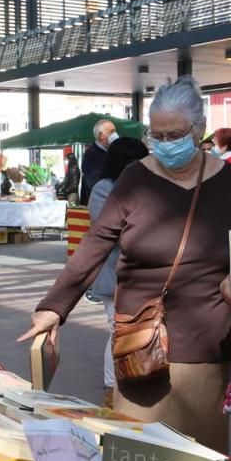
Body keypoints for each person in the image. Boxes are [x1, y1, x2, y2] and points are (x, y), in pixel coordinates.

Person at [21, 76, 231, 454]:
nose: (164, 144)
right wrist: (53, 308)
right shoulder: (135, 178)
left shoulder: (227, 181)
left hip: (204, 344)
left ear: (200, 129)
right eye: (155, 135)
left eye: (174, 135)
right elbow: (95, 244)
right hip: (139, 345)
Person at [87, 137, 149, 408]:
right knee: (118, 331)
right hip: (116, 276)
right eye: (132, 163)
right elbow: (112, 234)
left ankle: (132, 384)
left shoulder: (147, 186)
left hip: (144, 277)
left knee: (136, 331)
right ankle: (112, 390)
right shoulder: (105, 189)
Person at [80, 118, 117, 204]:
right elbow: (95, 183)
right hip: (99, 204)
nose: (115, 134)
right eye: (112, 132)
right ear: (101, 136)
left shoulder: (113, 152)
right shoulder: (91, 155)